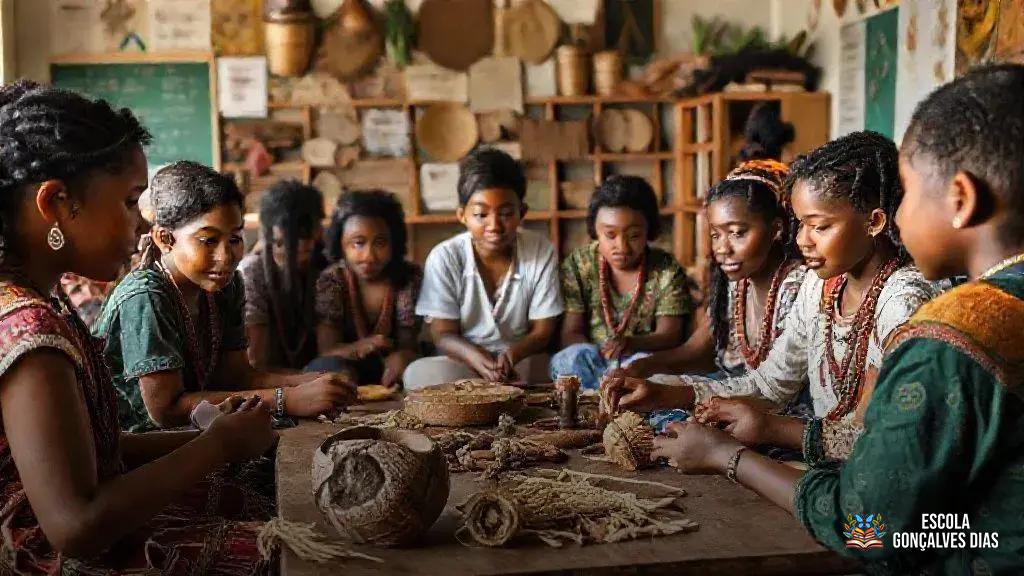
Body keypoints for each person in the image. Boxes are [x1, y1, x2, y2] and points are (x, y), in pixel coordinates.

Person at [643, 63, 1024, 575]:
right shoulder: (831, 290)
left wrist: (727, 457)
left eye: (905, 192)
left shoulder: (946, 337)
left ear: (961, 198)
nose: (896, 212)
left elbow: (870, 529)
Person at [0, 80, 277, 574]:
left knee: (260, 488)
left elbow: (99, 449)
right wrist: (218, 446)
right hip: (48, 556)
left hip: (82, 523)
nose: (140, 221)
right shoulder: (30, 332)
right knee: (280, 547)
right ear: (58, 205)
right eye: (131, 201)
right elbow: (76, 526)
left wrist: (227, 442)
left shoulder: (47, 301)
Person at [603, 131, 938, 463]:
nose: (803, 240)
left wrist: (770, 429)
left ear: (874, 222)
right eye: (801, 224)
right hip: (827, 458)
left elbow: (886, 442)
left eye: (819, 226)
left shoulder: (903, 302)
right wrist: (665, 393)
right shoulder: (819, 287)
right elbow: (769, 385)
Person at [94, 161, 355, 433]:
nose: (226, 256)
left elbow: (236, 376)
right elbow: (166, 410)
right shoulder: (146, 296)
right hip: (138, 443)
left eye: (234, 239)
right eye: (208, 240)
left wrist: (301, 383)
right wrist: (285, 399)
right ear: (164, 239)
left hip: (196, 432)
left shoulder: (226, 286)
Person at [623, 159, 805, 381]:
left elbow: (777, 387)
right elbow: (696, 351)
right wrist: (642, 365)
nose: (722, 248)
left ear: (776, 229)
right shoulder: (736, 285)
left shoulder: (797, 288)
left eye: (737, 233)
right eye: (716, 235)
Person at [405, 148, 563, 388]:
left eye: (506, 213)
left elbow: (542, 331)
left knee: (556, 368)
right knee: (420, 374)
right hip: (464, 362)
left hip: (521, 359)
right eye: (481, 214)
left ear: (522, 212)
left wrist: (512, 356)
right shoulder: (445, 257)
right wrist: (476, 358)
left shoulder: (541, 251)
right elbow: (443, 333)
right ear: (462, 215)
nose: (494, 225)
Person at [549, 175, 695, 391]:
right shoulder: (579, 264)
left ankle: (621, 401)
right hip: (593, 358)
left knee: (648, 368)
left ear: (649, 230)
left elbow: (670, 335)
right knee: (569, 359)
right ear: (594, 231)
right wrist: (600, 353)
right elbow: (571, 332)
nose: (622, 247)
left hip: (639, 358)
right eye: (610, 235)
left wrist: (631, 343)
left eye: (634, 236)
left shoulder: (666, 269)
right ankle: (599, 401)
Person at [306, 189, 422, 389]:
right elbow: (326, 350)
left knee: (418, 369)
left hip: (393, 371)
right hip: (346, 366)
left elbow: (408, 344)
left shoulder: (408, 278)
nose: (369, 256)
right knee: (326, 370)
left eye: (380, 243)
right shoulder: (332, 280)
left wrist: (403, 357)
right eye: (358, 243)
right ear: (341, 243)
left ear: (394, 242)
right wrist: (358, 348)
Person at [239, 179, 326, 370]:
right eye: (281, 242)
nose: (295, 248)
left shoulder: (325, 269)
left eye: (304, 237)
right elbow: (255, 362)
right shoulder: (251, 273)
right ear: (267, 234)